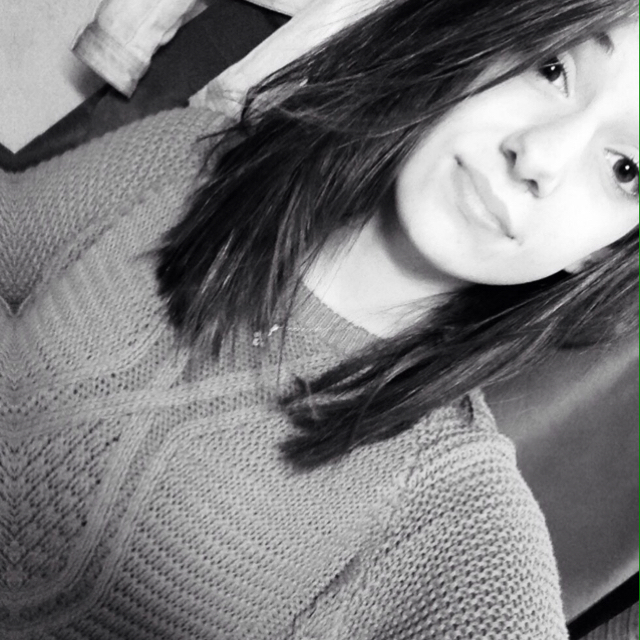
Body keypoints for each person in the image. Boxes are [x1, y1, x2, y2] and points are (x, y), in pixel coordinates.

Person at [1, 0, 637, 638]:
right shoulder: (189, 162)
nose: (540, 158)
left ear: (603, 251)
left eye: (626, 170)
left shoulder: (457, 515)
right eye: (551, 67)